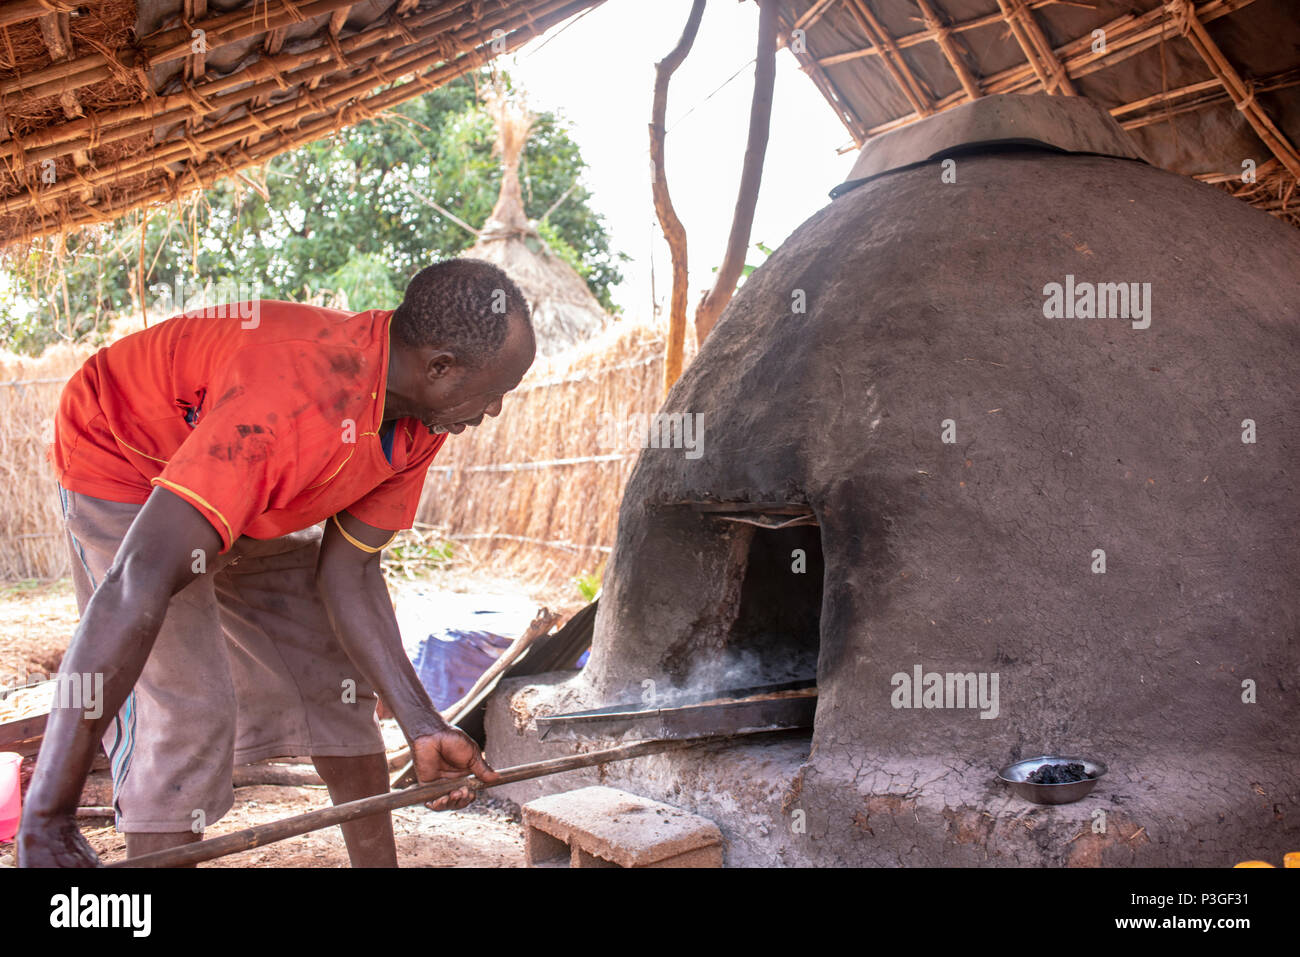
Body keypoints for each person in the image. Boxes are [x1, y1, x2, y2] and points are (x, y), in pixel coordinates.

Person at [17, 258, 536, 867]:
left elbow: (350, 570)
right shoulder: (292, 397)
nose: (494, 410)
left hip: (241, 482)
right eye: (494, 392)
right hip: (127, 462)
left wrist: (423, 722)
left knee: (333, 674)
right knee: (189, 708)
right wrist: (46, 817)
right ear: (439, 367)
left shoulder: (426, 417)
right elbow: (136, 584)